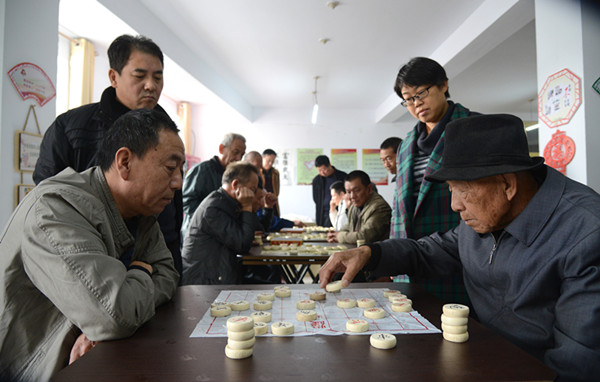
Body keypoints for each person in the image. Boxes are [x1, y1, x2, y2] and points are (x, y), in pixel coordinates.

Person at [319, 114, 600, 382]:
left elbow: (577, 364)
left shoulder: (585, 234)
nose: (455, 205)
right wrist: (369, 253)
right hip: (480, 358)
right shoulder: (487, 216)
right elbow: (429, 251)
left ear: (507, 185)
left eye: (462, 189)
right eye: (451, 189)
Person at [0, 109, 182, 382]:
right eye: (170, 168)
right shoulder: (56, 209)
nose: (179, 182)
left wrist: (98, 324)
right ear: (124, 162)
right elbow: (116, 316)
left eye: (181, 170)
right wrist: (142, 271)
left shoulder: (141, 215)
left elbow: (168, 275)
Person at [32, 34, 184, 276]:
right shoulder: (72, 128)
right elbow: (48, 200)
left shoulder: (168, 134)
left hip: (158, 255)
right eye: (140, 75)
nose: (151, 86)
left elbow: (173, 213)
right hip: (91, 260)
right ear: (114, 76)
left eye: (158, 77)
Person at [390, 57, 478, 305]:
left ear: (443, 85)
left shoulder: (473, 128)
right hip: (409, 260)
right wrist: (392, 256)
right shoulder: (406, 144)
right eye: (408, 98)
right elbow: (400, 207)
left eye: (422, 93)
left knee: (456, 331)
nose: (416, 103)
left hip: (456, 255)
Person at [181, 162, 261, 285]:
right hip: (203, 281)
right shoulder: (215, 207)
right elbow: (242, 244)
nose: (253, 195)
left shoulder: (226, 202)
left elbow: (252, 233)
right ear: (235, 184)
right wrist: (247, 206)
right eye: (252, 190)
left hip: (219, 274)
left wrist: (251, 209)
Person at [181, 133, 246, 237]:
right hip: (199, 235)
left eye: (242, 155)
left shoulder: (232, 176)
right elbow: (187, 202)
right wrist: (210, 222)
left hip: (220, 235)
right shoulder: (201, 170)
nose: (238, 158)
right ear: (221, 149)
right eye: (236, 152)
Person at [327, 171, 391, 245]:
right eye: (348, 192)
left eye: (357, 190)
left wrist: (339, 236)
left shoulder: (379, 207)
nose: (352, 196)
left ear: (369, 189)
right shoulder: (355, 206)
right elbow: (349, 226)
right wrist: (335, 234)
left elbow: (364, 236)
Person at [312, 155, 347, 227]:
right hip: (323, 214)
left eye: (324, 169)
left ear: (329, 165)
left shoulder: (343, 177)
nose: (322, 172)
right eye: (319, 170)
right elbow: (316, 198)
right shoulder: (316, 180)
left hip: (341, 211)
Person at [262, 148, 281, 216]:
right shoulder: (258, 172)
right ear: (262, 158)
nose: (270, 163)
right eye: (269, 160)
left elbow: (277, 190)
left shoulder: (275, 173)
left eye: (273, 161)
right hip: (261, 201)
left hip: (272, 201)